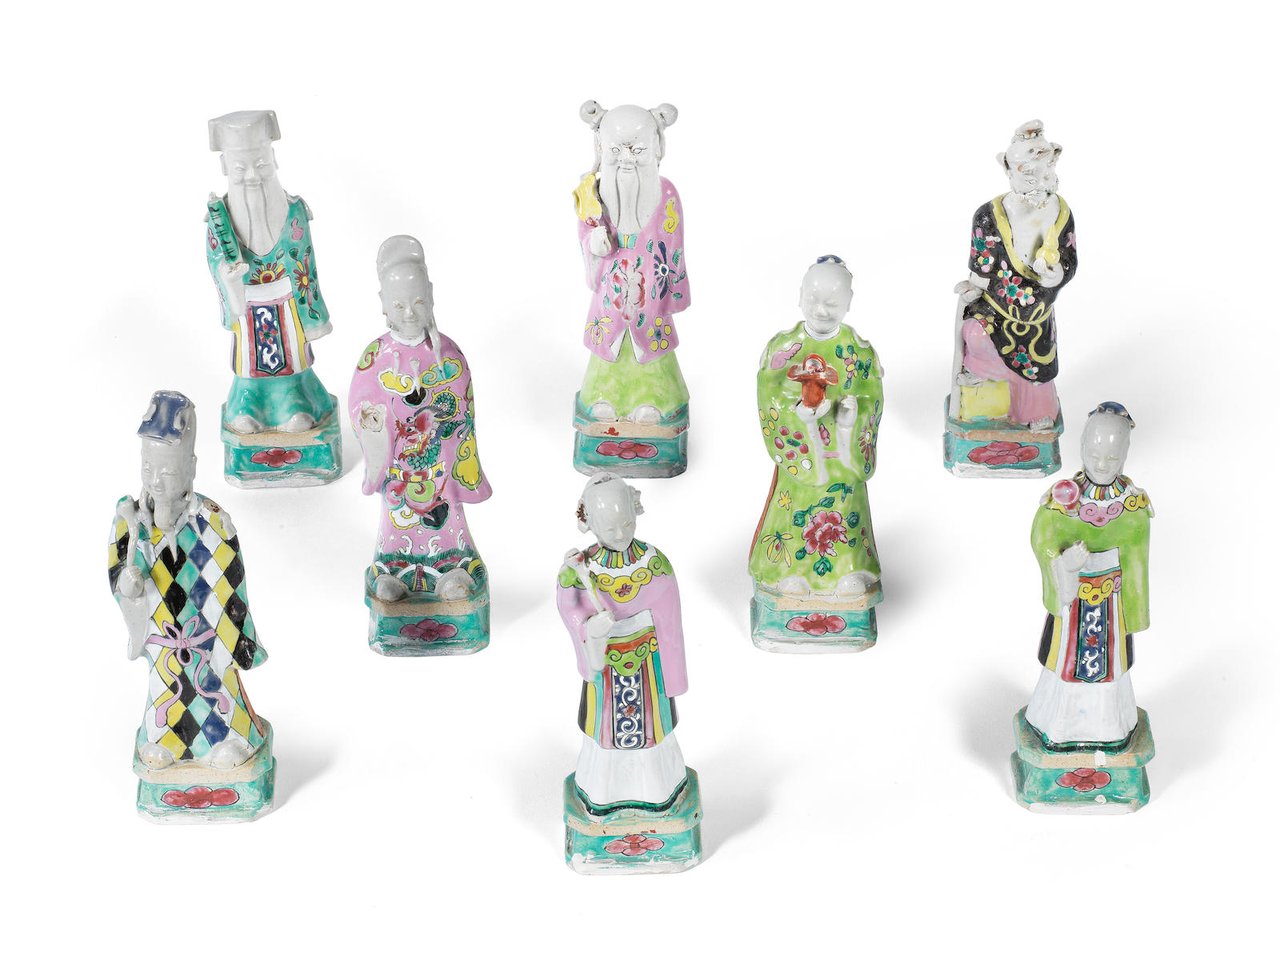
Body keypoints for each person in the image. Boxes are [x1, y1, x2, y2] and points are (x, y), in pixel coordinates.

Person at [108, 391, 268, 771]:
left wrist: (229, 637)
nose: (156, 482)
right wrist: (129, 589)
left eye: (167, 472)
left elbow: (230, 584)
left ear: (191, 467)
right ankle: (162, 741)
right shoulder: (129, 524)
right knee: (165, 689)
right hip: (163, 638)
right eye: (148, 468)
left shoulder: (211, 522)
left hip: (206, 636)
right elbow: (119, 577)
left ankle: (228, 740)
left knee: (214, 687)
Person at [349, 235, 491, 605]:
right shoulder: (375, 356)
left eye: (417, 302)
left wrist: (446, 430)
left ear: (430, 295)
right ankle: (392, 573)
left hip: (439, 470)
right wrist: (371, 422)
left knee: (447, 521)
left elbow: (462, 409)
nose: (409, 313)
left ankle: (453, 572)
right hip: (398, 471)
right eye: (398, 304)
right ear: (382, 302)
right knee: (397, 522)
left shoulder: (448, 355)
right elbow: (359, 403)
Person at [750, 257, 884, 624]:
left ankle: (848, 570)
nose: (822, 310)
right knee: (797, 505)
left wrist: (850, 422)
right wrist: (800, 416)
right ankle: (788, 573)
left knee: (845, 502)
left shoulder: (858, 351)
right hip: (803, 460)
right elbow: (770, 396)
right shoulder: (784, 348)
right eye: (813, 299)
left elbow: (871, 397)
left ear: (849, 302)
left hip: (843, 459)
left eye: (833, 302)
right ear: (799, 296)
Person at [556, 473, 690, 812]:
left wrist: (674, 679)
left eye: (626, 524)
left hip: (648, 665)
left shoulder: (654, 563)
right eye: (609, 528)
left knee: (652, 731)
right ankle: (601, 794)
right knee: (604, 733)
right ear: (588, 522)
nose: (620, 534)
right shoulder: (579, 569)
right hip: (606, 669)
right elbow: (568, 608)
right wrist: (590, 629)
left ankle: (658, 792)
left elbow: (670, 624)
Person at [1026, 402, 1152, 747]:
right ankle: (1059, 729)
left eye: (1112, 457)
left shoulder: (1133, 506)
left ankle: (1110, 731)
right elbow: (1042, 541)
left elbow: (1137, 561)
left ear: (1125, 454)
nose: (1101, 464)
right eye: (1094, 454)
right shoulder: (1062, 501)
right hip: (1073, 608)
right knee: (1065, 667)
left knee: (1110, 673)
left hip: (1112, 607)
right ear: (1081, 446)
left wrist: (1134, 612)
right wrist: (1064, 565)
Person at [206, 110, 336, 435]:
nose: (252, 176)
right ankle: (246, 403)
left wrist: (313, 319)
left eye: (261, 164)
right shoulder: (219, 221)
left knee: (293, 360)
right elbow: (215, 263)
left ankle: (296, 401)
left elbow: (306, 265)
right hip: (247, 308)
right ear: (224, 167)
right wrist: (229, 279)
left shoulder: (293, 212)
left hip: (288, 304)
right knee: (249, 365)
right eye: (240, 168)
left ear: (274, 159)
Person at [952, 120, 1077, 430]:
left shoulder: (1060, 213)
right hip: (996, 305)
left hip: (1037, 311)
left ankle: (1032, 412)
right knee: (976, 334)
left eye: (1041, 172)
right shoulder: (989, 215)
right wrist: (974, 288)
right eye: (1026, 173)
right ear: (1008, 170)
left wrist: (1055, 275)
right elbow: (982, 265)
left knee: (1037, 364)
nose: (1035, 181)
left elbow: (1069, 259)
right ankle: (984, 387)